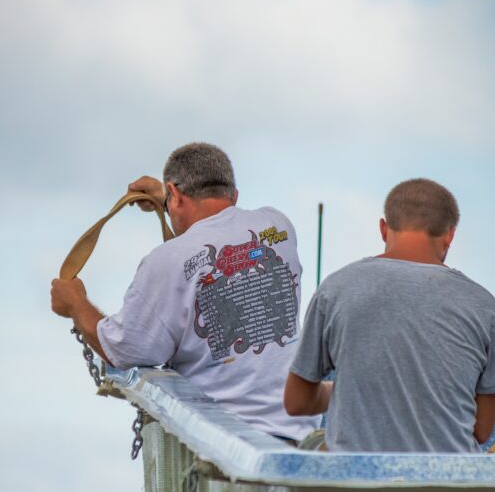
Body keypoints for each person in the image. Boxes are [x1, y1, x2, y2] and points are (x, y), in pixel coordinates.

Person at [52, 142, 318, 441]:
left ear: (175, 194)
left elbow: (123, 350)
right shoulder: (278, 226)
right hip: (299, 436)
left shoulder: (166, 260)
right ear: (234, 193)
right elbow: (223, 225)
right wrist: (168, 199)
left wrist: (75, 304)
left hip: (228, 449)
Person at [284, 177, 495, 452]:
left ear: (383, 229)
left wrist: (347, 392)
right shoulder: (483, 304)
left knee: (314, 445)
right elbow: (481, 430)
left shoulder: (336, 289)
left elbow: (296, 401)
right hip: (449, 485)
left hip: (357, 483)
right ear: (449, 235)